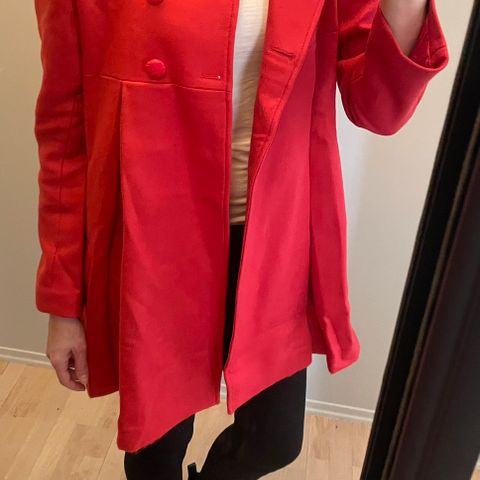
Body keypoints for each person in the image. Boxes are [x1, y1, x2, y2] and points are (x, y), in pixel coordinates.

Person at [35, 0, 449, 478]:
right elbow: (65, 133)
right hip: (155, 240)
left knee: (274, 438)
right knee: (157, 442)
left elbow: (377, 107)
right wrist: (63, 305)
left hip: (273, 235)